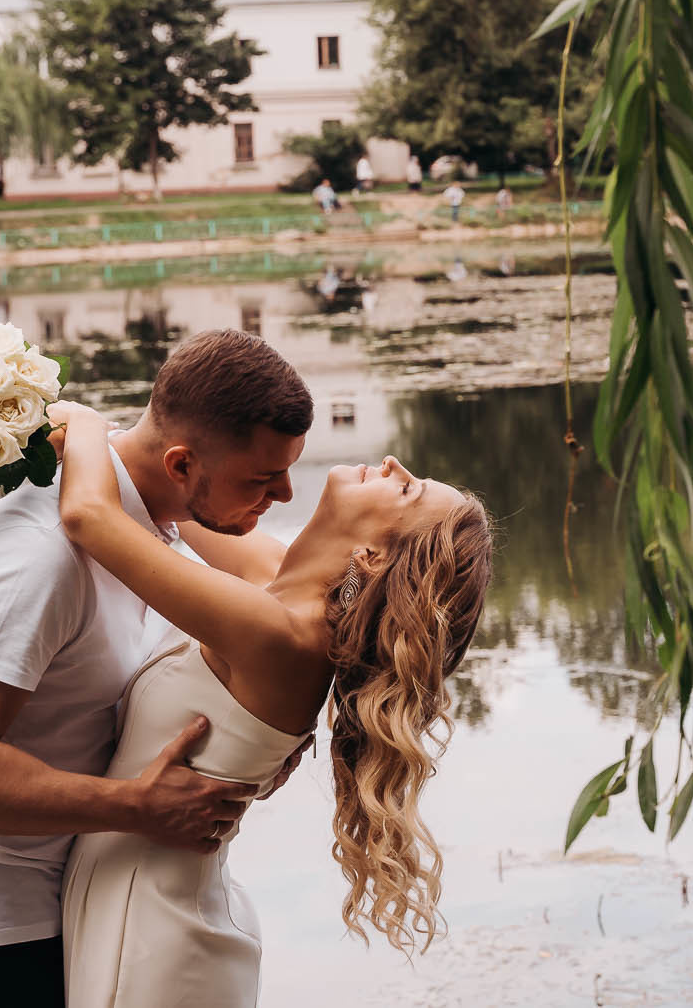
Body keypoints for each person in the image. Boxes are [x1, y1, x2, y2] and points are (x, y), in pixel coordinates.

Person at [0, 330, 315, 1008]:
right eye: (262, 479)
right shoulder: (39, 557)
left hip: (56, 912)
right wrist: (138, 805)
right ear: (180, 463)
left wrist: (241, 759)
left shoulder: (149, 532)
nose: (283, 495)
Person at [53, 414, 493, 1008]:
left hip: (154, 933)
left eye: (408, 488)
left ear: (373, 553)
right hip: (141, 896)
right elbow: (165, 503)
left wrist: (77, 422)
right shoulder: (274, 589)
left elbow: (91, 518)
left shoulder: (278, 636)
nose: (393, 464)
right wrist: (106, 430)